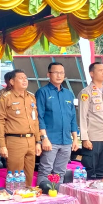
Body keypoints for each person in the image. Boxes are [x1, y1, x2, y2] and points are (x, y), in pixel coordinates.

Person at [36, 62, 79, 191]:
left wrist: (75, 139)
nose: (59, 75)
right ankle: (44, 197)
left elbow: (72, 117)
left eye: (61, 73)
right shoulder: (42, 92)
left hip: (66, 141)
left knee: (60, 172)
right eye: (56, 72)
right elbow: (39, 117)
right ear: (48, 74)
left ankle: (56, 196)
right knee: (45, 170)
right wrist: (44, 138)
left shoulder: (68, 94)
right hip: (50, 140)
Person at [0, 70, 41, 188]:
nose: (24, 80)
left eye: (25, 78)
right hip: (15, 140)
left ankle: (27, 196)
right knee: (15, 177)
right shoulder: (5, 98)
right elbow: (0, 122)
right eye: (21, 78)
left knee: (29, 175)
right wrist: (2, 145)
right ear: (12, 81)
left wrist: (38, 141)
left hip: (31, 140)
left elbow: (35, 121)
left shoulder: (31, 97)